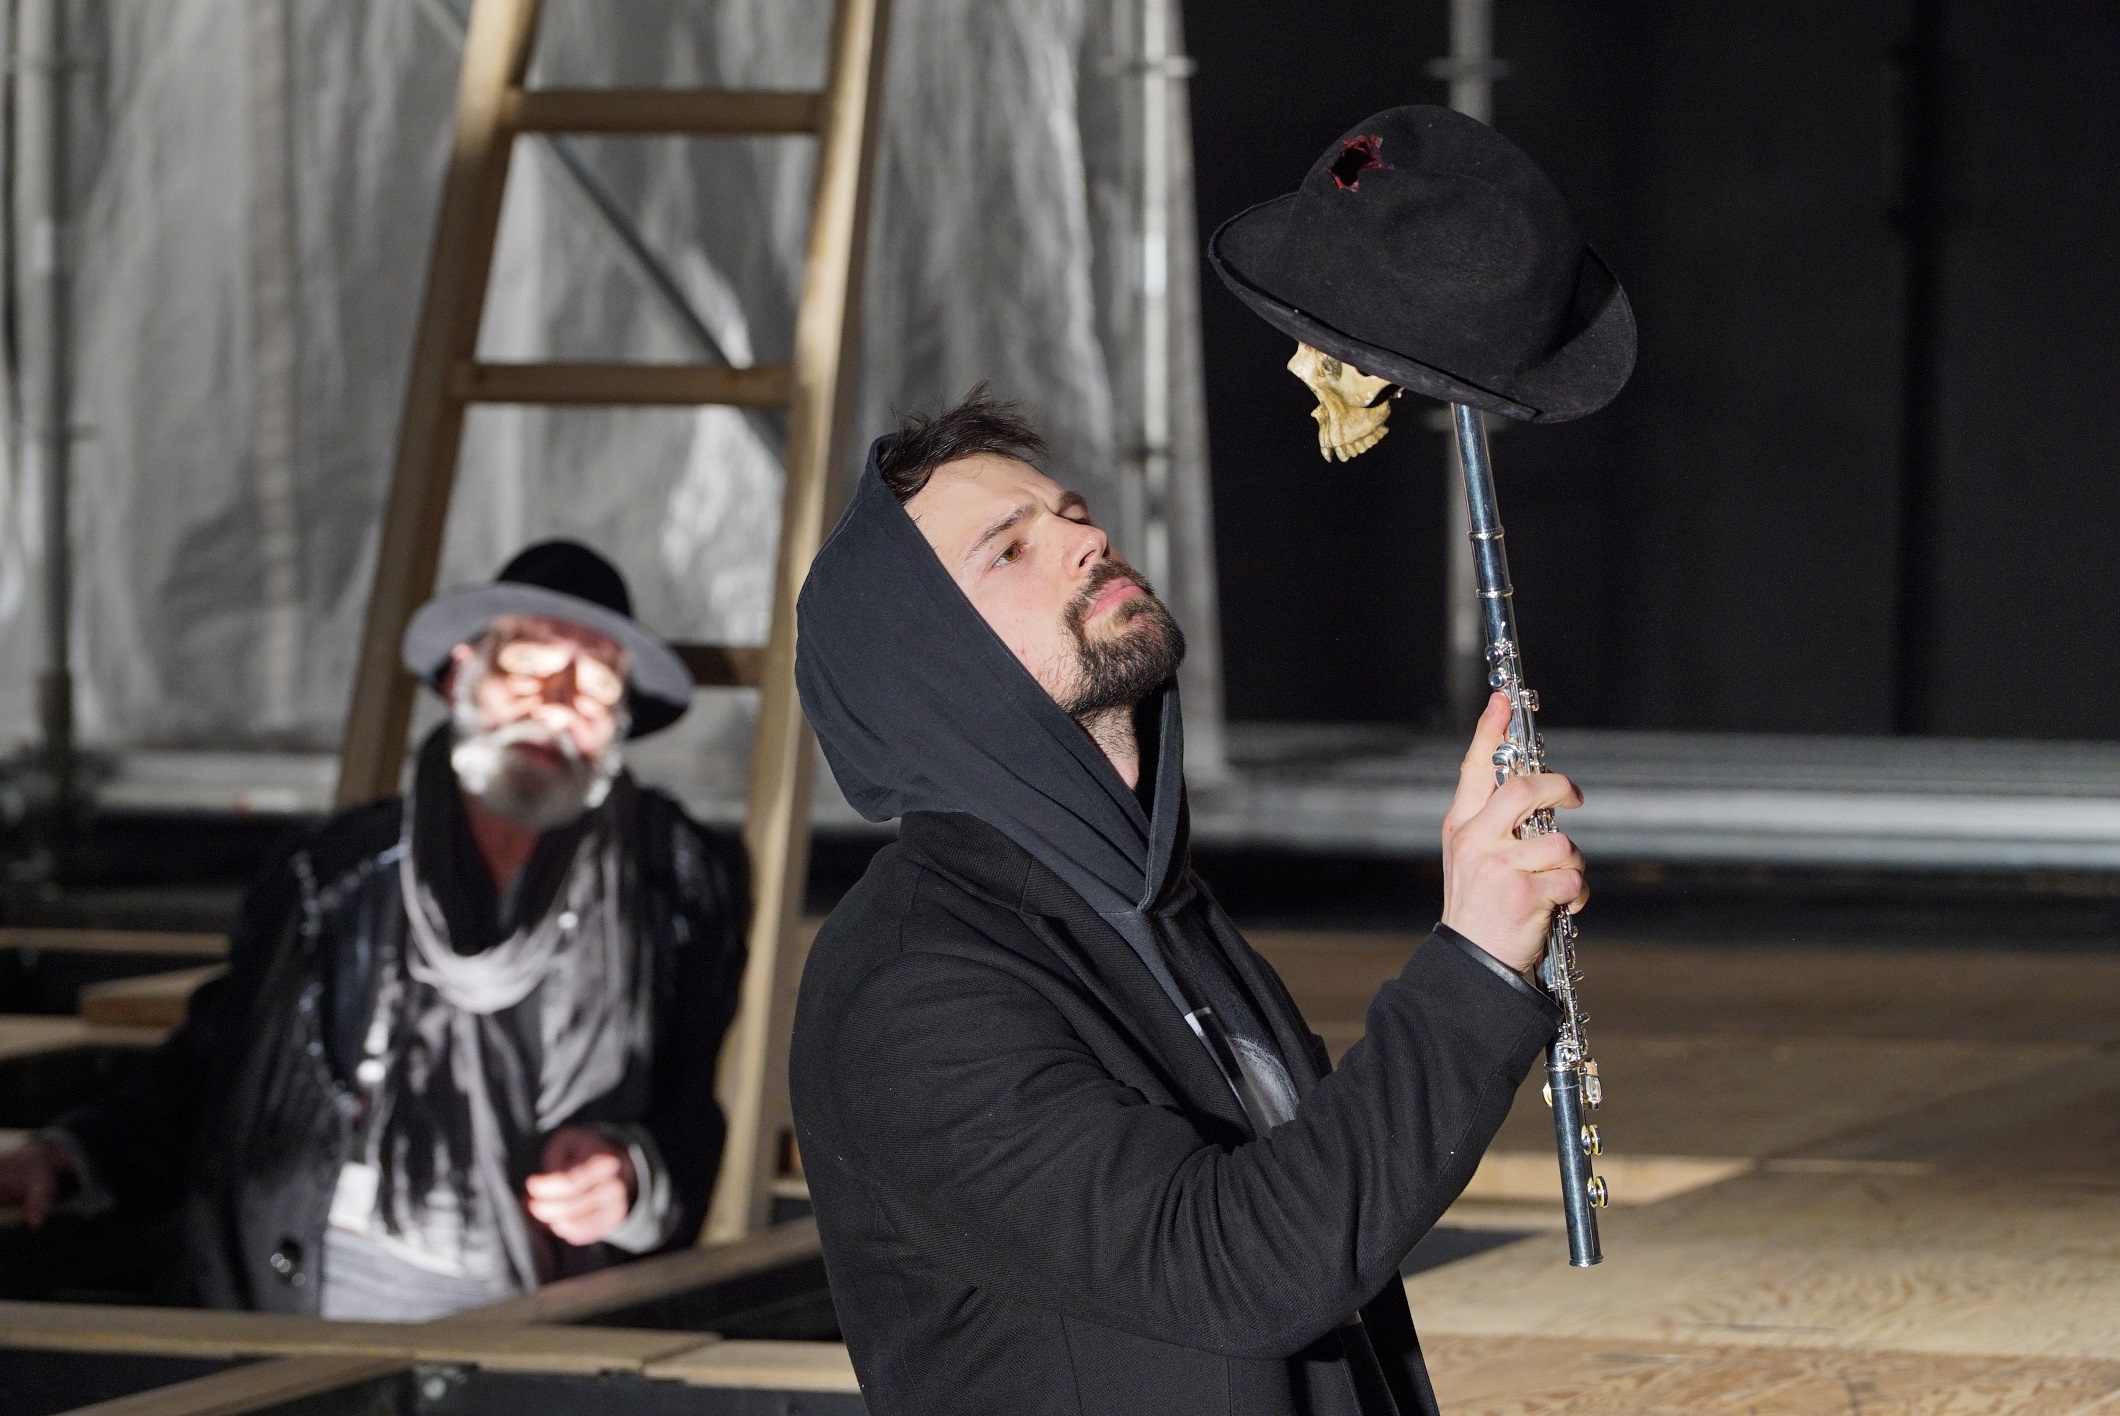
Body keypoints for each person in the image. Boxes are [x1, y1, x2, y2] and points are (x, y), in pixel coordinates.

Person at [787, 394, 1590, 1416]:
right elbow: (1231, 1268)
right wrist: (1472, 965)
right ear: (931, 668)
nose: (1086, 539)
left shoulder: (1152, 910)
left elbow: (1323, 1235)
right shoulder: (911, 987)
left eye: (1072, 514)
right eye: (1010, 550)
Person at [0, 541, 748, 1317]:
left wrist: (631, 1177)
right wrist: (73, 1153)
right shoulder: (335, 877)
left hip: (540, 1323)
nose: (556, 704)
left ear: (617, 723)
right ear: (461, 676)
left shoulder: (672, 890)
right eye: (527, 666)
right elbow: (217, 1066)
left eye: (593, 684)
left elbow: (694, 1112)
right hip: (301, 1304)